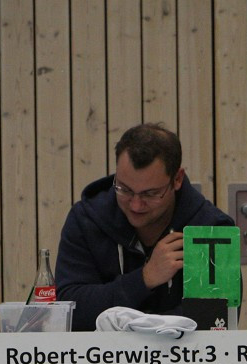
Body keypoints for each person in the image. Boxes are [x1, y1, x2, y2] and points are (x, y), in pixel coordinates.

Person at [55, 123, 235, 331]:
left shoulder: (211, 228)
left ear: (177, 179)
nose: (135, 205)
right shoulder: (86, 219)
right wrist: (144, 279)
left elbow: (217, 320)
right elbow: (69, 313)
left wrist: (136, 335)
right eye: (124, 189)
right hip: (99, 359)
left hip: (184, 360)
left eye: (150, 194)